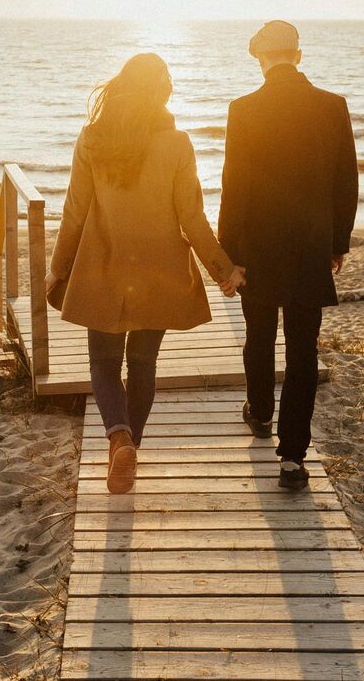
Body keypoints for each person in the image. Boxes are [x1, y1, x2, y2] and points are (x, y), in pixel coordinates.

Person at [46, 52, 243, 494]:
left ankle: (119, 439)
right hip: (161, 270)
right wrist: (224, 271)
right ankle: (130, 444)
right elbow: (192, 220)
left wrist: (57, 269)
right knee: (143, 363)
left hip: (103, 266)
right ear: (162, 93)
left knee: (102, 361)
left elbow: (74, 212)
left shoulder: (92, 139)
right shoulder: (178, 144)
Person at [219, 21, 358, 490]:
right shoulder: (331, 106)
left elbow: (232, 187)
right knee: (302, 351)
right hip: (309, 247)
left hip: (256, 249)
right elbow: (346, 183)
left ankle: (259, 412)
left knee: (258, 336)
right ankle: (293, 458)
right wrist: (337, 243)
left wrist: (228, 255)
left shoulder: (243, 110)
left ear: (261, 59)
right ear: (298, 56)